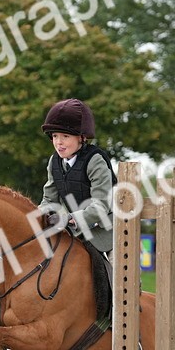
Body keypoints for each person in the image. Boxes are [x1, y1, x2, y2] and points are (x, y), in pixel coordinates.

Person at [38, 98, 115, 255]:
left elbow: (100, 207)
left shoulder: (95, 160)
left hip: (110, 232)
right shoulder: (55, 162)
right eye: (54, 136)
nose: (58, 143)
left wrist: (69, 218)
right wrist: (39, 216)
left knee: (119, 276)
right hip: (78, 232)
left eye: (65, 136)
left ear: (81, 137)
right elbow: (49, 200)